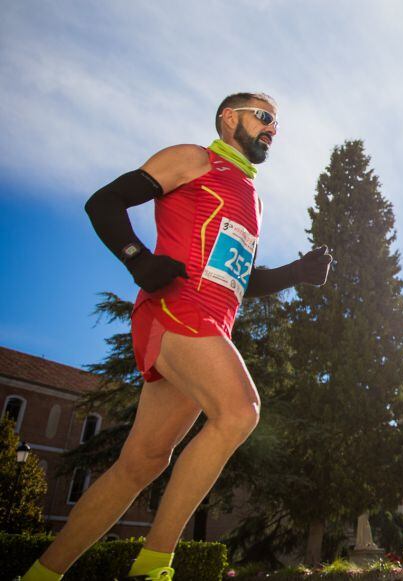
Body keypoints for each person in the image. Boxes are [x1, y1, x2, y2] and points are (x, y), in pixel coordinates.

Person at [21, 93, 332, 581]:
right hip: (176, 309)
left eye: (278, 123)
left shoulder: (250, 195)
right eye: (265, 117)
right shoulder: (194, 158)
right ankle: (155, 565)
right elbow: (104, 202)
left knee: (142, 462)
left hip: (212, 325)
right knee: (239, 412)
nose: (274, 129)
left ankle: (41, 574)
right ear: (230, 118)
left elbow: (239, 280)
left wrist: (297, 273)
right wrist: (136, 257)